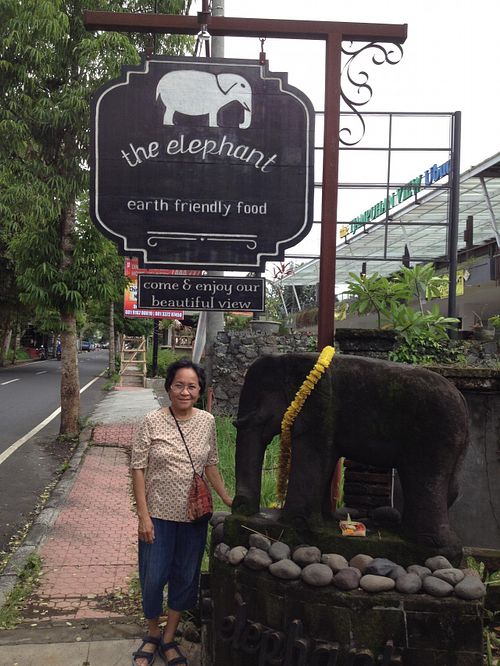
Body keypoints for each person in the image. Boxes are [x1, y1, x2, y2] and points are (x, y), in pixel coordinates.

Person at [130, 359, 232, 666]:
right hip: (158, 517)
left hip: (193, 518)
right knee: (152, 578)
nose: (184, 392)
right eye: (179, 385)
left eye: (191, 386)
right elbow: (138, 469)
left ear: (200, 390)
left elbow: (210, 463)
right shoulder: (151, 421)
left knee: (185, 577)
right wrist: (143, 517)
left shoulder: (207, 422)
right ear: (168, 387)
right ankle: (152, 634)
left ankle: (170, 637)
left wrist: (228, 498)